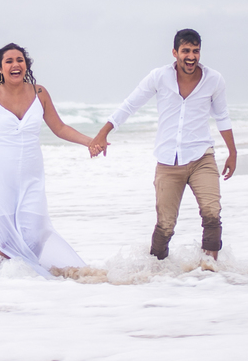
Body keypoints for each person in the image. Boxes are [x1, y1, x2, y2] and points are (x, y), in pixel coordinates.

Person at [90, 29, 235, 269]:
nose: (191, 57)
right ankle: (156, 273)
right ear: (175, 52)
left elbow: (222, 116)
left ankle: (210, 272)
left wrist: (232, 152)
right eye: (186, 51)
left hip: (202, 157)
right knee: (165, 225)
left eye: (195, 51)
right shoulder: (159, 77)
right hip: (168, 162)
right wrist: (102, 133)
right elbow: (130, 104)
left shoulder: (214, 79)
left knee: (212, 213)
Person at [0, 43, 100, 278]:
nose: (15, 65)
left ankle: (26, 276)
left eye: (19, 60)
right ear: (0, 69)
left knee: (34, 230)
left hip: (31, 173)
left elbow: (59, 127)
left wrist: (89, 141)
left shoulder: (39, 93)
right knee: (4, 233)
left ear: (26, 65)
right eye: (9, 61)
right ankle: (1, 281)